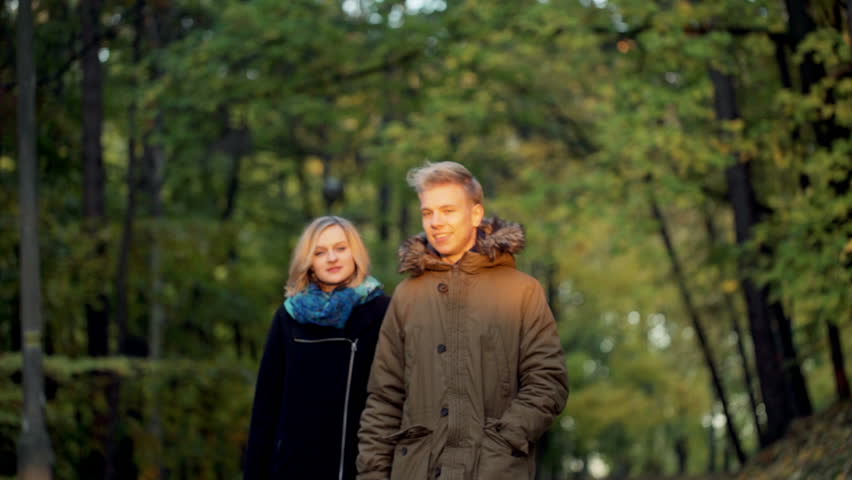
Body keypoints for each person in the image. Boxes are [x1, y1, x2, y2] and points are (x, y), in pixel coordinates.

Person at [357, 162, 569, 480]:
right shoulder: (406, 296)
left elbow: (548, 382)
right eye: (428, 213)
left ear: (475, 214)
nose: (436, 223)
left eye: (448, 210)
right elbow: (385, 397)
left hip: (495, 471)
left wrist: (503, 441)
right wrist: (373, 474)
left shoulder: (522, 291)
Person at [244, 216, 390, 480]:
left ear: (355, 252)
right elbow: (266, 406)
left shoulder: (383, 312)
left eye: (341, 248)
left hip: (361, 468)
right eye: (320, 252)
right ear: (309, 262)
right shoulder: (288, 317)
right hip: (293, 469)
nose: (332, 258)